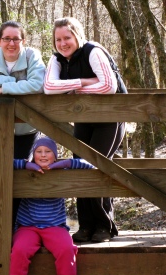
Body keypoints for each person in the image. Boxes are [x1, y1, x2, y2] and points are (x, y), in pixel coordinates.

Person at [43, 17, 125, 243]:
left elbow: (109, 86)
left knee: (96, 168)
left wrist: (73, 89)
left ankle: (104, 227)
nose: (63, 43)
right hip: (83, 120)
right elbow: (49, 87)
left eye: (67, 37)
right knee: (78, 168)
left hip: (110, 119)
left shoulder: (94, 51)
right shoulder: (57, 59)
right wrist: (84, 82)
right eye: (58, 39)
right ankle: (86, 226)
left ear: (77, 36)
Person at [7, 136, 94, 275]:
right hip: (27, 226)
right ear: (34, 154)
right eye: (39, 151)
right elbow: (3, 163)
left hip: (54, 226)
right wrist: (26, 165)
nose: (43, 155)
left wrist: (64, 163)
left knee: (66, 250)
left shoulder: (62, 170)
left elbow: (90, 165)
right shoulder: (26, 167)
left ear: (55, 155)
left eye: (48, 152)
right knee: (19, 251)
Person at [0, 20, 46, 225]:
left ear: (23, 40)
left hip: (28, 129)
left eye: (16, 39)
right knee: (1, 178)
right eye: (7, 39)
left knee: (20, 177)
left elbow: (38, 84)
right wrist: (13, 82)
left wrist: (3, 89)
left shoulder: (32, 56)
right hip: (1, 131)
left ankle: (15, 228)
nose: (11, 43)